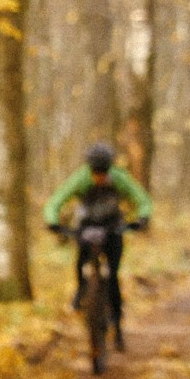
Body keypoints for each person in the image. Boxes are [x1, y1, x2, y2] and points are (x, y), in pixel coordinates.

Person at [42, 141, 152, 333]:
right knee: (80, 261)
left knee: (113, 275)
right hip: (86, 226)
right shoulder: (81, 178)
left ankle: (116, 319)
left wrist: (142, 218)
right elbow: (56, 200)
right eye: (96, 172)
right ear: (90, 168)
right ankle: (82, 291)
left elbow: (141, 199)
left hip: (112, 227)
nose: (99, 176)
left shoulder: (119, 178)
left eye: (103, 172)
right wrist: (52, 221)